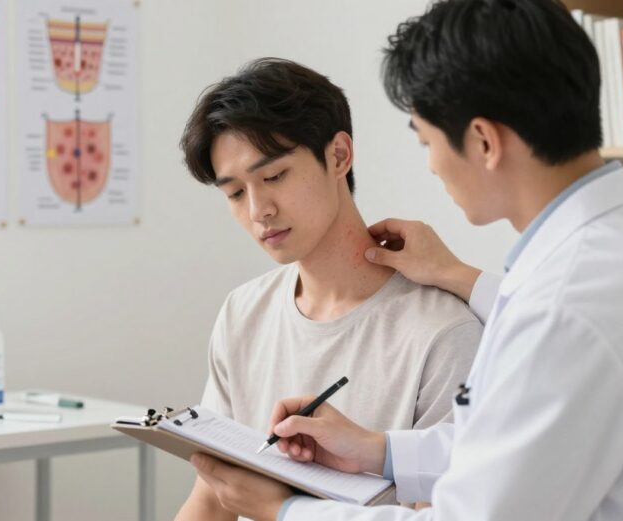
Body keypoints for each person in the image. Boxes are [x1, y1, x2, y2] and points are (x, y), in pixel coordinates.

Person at [189, 0, 623, 521]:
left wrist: (285, 510)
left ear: (482, 141)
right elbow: (518, 448)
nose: (431, 164)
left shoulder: (567, 302)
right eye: (234, 192)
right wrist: (376, 450)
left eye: (427, 140)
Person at [175, 58, 483, 520]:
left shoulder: (442, 332)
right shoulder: (243, 312)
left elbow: (445, 511)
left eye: (273, 176)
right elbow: (212, 497)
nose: (258, 210)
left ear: (338, 156)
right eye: (235, 194)